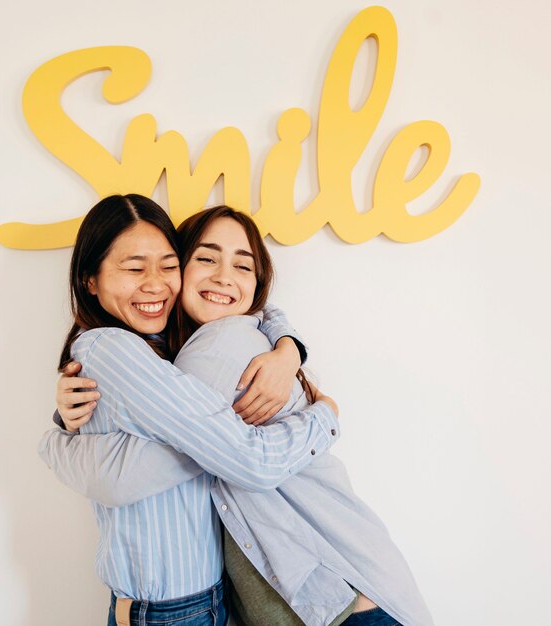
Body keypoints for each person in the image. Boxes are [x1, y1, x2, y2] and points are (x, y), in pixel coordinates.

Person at [42, 205, 434, 626]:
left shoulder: (220, 346)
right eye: (206, 258)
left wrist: (55, 443)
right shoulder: (178, 355)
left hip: (344, 599)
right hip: (337, 593)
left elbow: (123, 476)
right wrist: (289, 345)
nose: (225, 276)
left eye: (242, 266)